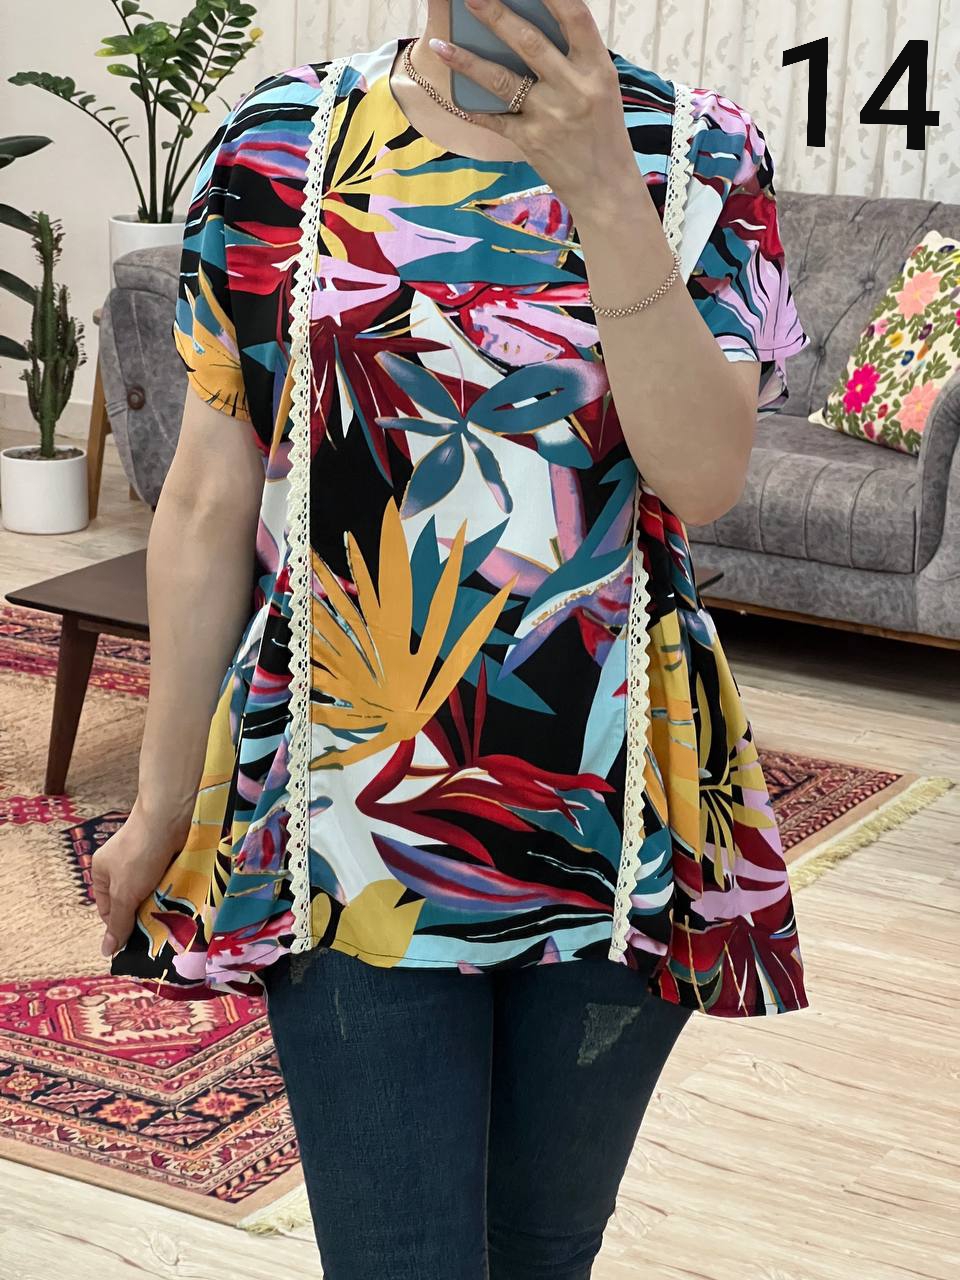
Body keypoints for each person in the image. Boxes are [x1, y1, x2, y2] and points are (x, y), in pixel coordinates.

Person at [95, 0, 812, 1274]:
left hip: (612, 820)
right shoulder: (284, 141)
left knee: (541, 1252)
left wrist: (606, 188)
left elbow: (702, 476)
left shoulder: (703, 154)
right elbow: (206, 498)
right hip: (350, 817)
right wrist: (160, 807)